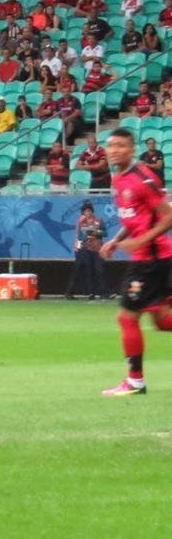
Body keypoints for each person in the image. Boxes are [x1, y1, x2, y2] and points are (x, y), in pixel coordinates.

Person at [100, 129, 172, 396]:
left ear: (132, 150)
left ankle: (135, 381)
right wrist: (116, 239)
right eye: (111, 145)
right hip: (150, 257)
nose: (114, 150)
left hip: (151, 259)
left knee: (127, 317)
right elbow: (133, 216)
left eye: (121, 145)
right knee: (162, 321)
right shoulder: (118, 178)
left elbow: (168, 216)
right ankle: (135, 381)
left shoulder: (143, 178)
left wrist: (141, 241)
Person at [67, 200, 107, 300]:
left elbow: (105, 233)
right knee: (87, 271)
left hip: (97, 249)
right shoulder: (81, 222)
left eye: (89, 211)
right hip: (86, 249)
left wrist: (95, 233)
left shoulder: (99, 220)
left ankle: (103, 293)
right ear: (83, 213)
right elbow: (80, 236)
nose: (87, 213)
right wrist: (88, 235)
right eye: (85, 211)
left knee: (100, 270)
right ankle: (90, 293)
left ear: (92, 211)